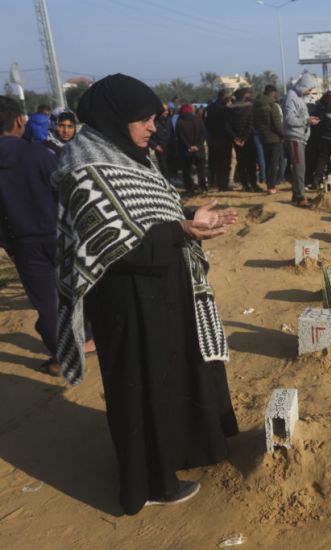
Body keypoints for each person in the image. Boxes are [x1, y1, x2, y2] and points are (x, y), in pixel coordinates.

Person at [53, 73, 239, 515]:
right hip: (127, 301)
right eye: (143, 119)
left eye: (154, 118)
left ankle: (177, 454)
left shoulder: (132, 154)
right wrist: (179, 230)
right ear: (115, 118)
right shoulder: (84, 166)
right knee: (140, 388)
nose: (152, 127)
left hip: (162, 289)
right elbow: (106, 240)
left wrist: (189, 219)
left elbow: (152, 214)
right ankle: (151, 482)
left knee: (171, 377)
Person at [0, 96, 61, 375]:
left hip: (23, 244)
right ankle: (88, 340)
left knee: (46, 303)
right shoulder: (39, 154)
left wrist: (8, 243)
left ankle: (62, 358)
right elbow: (65, 194)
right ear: (19, 121)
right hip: (60, 234)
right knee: (76, 291)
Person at [283, 73, 319, 206]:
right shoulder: (291, 97)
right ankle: (299, 197)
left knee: (300, 167)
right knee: (299, 167)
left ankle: (296, 195)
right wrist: (307, 120)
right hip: (294, 137)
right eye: (308, 89)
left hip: (299, 137)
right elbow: (289, 119)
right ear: (303, 86)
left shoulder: (298, 97)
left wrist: (308, 121)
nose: (309, 92)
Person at [252, 84, 283, 195]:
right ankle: (272, 187)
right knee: (274, 164)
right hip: (275, 139)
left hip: (263, 138)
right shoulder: (272, 106)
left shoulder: (256, 107)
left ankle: (269, 185)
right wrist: (283, 135)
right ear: (272, 93)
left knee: (267, 162)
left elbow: (254, 123)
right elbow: (277, 125)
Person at [228, 88, 258, 192]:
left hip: (236, 140)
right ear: (244, 97)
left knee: (241, 163)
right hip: (248, 139)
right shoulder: (249, 108)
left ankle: (245, 185)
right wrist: (244, 138)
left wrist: (235, 138)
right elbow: (250, 124)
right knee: (251, 163)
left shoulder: (229, 109)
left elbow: (227, 126)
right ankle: (253, 184)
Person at [176, 103, 208, 194]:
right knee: (201, 170)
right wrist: (197, 146)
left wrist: (189, 146)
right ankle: (203, 188)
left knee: (187, 170)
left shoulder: (180, 121)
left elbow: (180, 136)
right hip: (199, 150)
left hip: (186, 150)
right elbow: (203, 133)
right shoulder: (198, 119)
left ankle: (190, 189)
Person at [204, 89, 233, 191]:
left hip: (212, 138)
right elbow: (227, 125)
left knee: (213, 163)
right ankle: (223, 185)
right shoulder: (225, 109)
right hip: (224, 139)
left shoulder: (209, 108)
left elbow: (206, 123)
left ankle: (213, 183)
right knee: (225, 163)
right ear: (224, 98)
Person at [149, 105, 173, 180]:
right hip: (160, 148)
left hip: (170, 147)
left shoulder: (169, 120)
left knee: (170, 167)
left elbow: (172, 133)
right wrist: (155, 146)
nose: (166, 112)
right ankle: (167, 183)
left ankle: (171, 182)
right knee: (164, 168)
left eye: (167, 110)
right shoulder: (153, 121)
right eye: (165, 110)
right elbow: (149, 137)